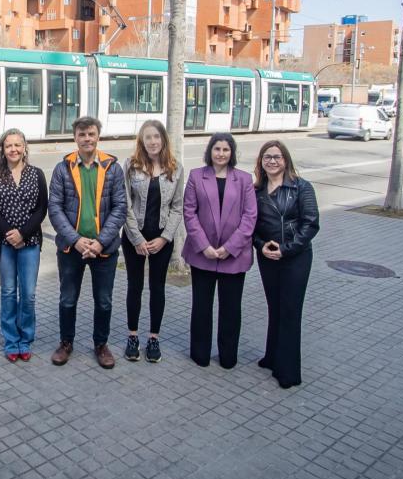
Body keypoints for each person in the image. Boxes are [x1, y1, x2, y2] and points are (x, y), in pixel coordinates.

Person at [49, 116, 128, 369]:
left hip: (104, 250)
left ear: (98, 136)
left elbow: (120, 207)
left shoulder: (112, 168)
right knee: (67, 299)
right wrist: (77, 239)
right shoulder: (63, 168)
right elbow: (55, 208)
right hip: (71, 248)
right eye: (82, 134)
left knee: (103, 300)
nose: (87, 139)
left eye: (91, 134)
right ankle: (66, 343)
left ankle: (101, 345)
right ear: (75, 138)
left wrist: (100, 242)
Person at [181, 133, 257, 368]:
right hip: (202, 255)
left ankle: (228, 356)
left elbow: (250, 216)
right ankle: (200, 354)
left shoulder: (244, 180)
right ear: (210, 151)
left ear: (232, 153)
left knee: (231, 310)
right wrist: (204, 246)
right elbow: (189, 212)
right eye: (217, 149)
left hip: (233, 256)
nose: (221, 154)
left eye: (226, 149)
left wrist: (229, 247)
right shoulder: (196, 176)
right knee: (202, 307)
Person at [253, 140, 320, 389]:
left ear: (286, 160)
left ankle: (288, 371)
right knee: (274, 307)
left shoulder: (301, 187)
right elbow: (251, 227)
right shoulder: (257, 190)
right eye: (267, 157)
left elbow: (310, 223)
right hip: (267, 257)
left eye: (277, 157)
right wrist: (261, 246)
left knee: (290, 311)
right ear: (261, 162)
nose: (272, 161)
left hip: (295, 258)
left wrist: (285, 249)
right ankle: (272, 357)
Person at [120, 120, 184, 363]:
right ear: (141, 141)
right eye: (148, 137)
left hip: (161, 238)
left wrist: (165, 238)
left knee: (157, 287)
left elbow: (177, 208)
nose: (153, 142)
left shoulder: (175, 168)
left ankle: (154, 338)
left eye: (157, 137)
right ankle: (133, 336)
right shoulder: (131, 165)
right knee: (134, 286)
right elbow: (124, 204)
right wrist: (136, 238)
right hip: (134, 237)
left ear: (163, 140)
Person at [0, 129, 49, 362]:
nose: (13, 150)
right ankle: (11, 340)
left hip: (30, 242)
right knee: (9, 292)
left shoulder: (36, 174)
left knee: (28, 294)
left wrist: (23, 233)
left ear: (24, 147)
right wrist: (10, 234)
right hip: (4, 243)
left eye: (17, 145)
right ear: (2, 149)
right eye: (9, 145)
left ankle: (25, 338)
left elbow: (42, 208)